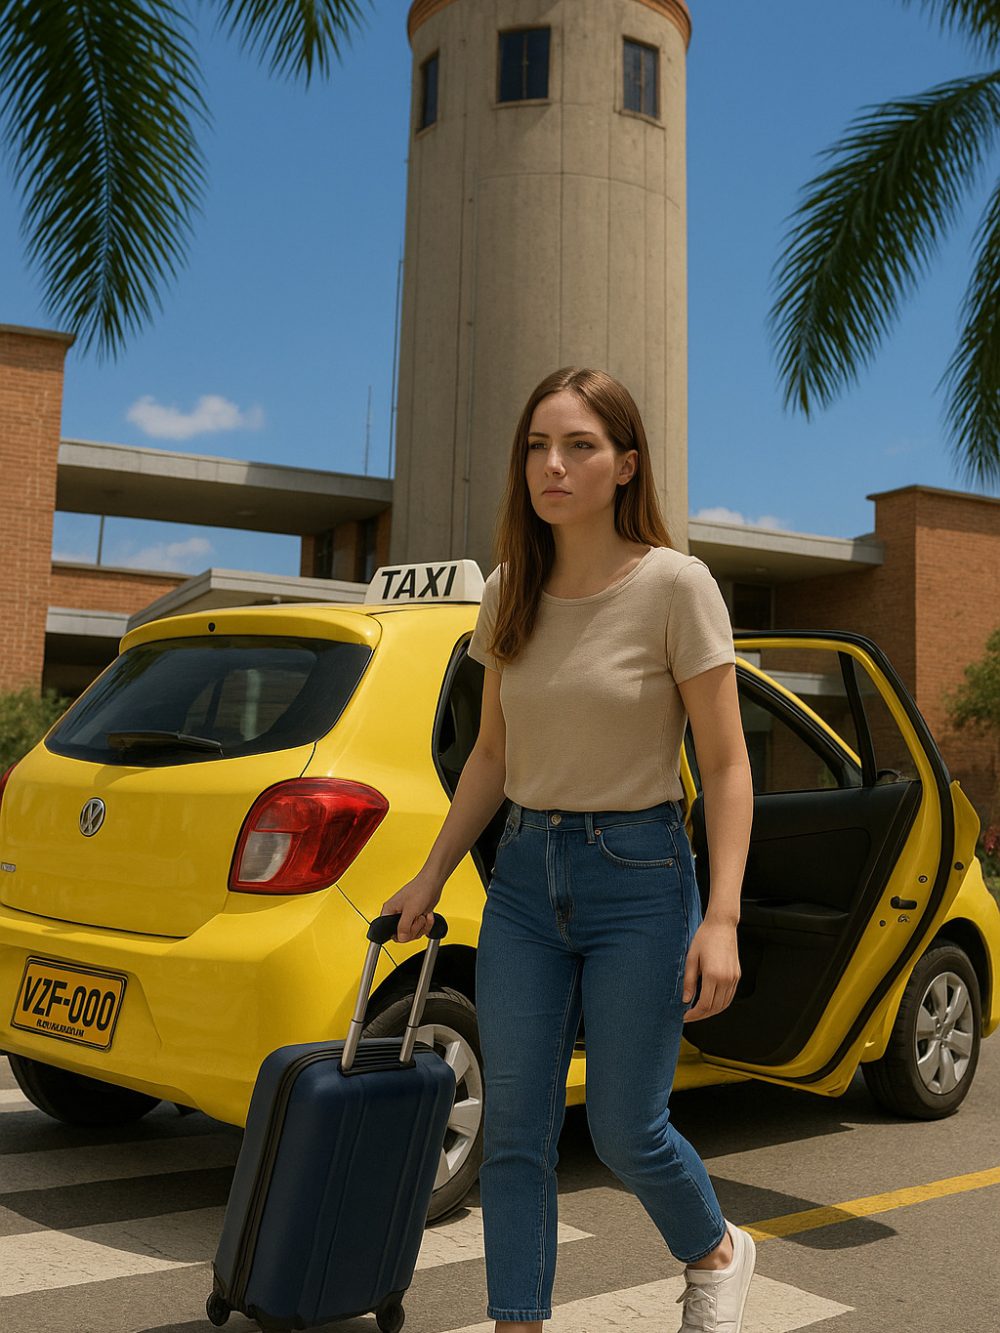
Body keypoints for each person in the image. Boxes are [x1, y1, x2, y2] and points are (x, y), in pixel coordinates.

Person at [381, 367, 756, 1333]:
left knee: (630, 1129)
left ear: (625, 465)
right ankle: (519, 1323)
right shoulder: (510, 590)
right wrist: (429, 874)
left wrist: (721, 917)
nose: (554, 464)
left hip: (639, 876)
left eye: (580, 445)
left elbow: (724, 766)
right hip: (522, 882)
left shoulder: (677, 584)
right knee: (514, 1134)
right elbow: (493, 758)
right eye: (539, 446)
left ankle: (715, 1249)